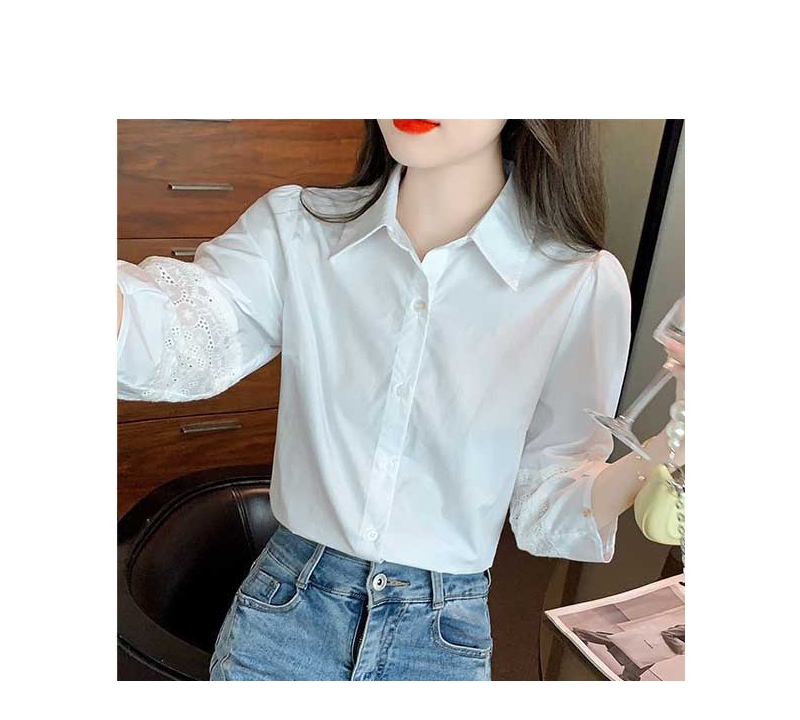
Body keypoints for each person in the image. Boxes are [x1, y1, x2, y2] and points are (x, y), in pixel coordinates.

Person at [117, 120, 686, 681]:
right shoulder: (297, 228)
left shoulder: (579, 282)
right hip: (284, 617)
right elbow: (180, 337)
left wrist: (676, 438)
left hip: (441, 638)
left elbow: (551, 504)